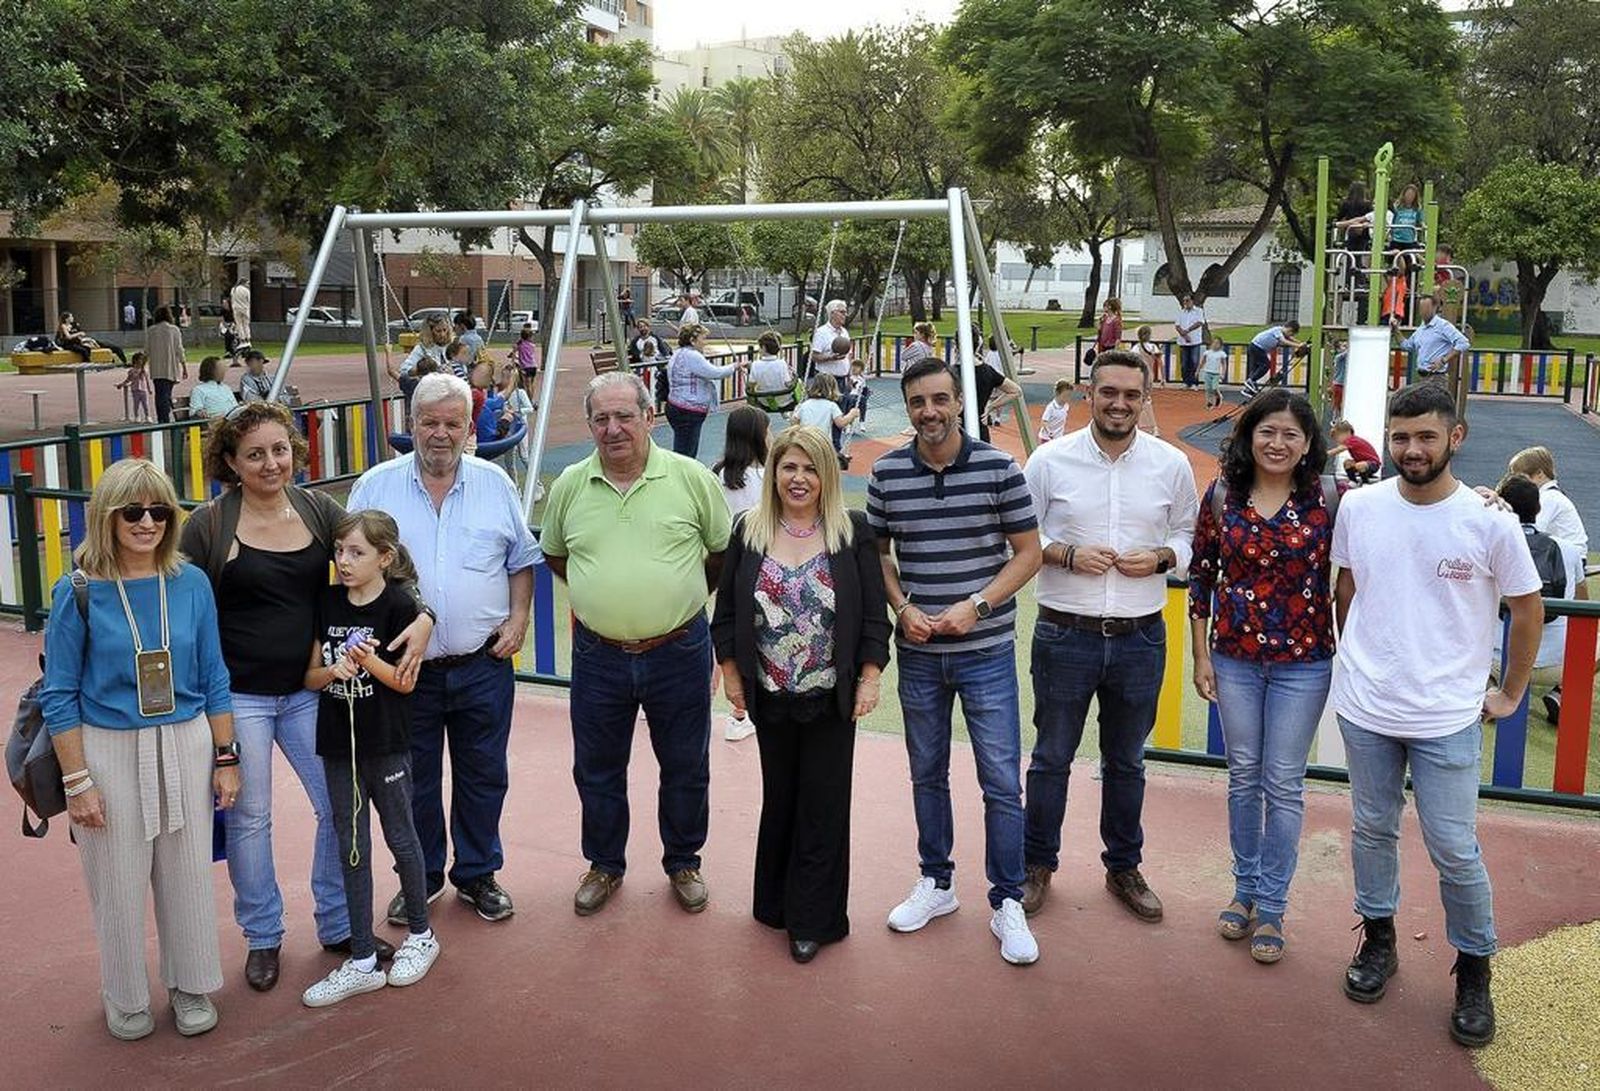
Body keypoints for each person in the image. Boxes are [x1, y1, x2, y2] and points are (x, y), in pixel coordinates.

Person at [180, 402, 436, 991]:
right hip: (240, 695)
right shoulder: (211, 526)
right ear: (230, 462)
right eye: (254, 454)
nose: (271, 463)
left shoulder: (317, 510)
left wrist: (422, 613)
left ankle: (339, 921)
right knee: (251, 817)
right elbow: (187, 604)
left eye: (279, 450)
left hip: (309, 692)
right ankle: (263, 936)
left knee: (336, 808)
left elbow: (383, 554)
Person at [1334, 381, 1544, 1050]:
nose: (1411, 448)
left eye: (1426, 436)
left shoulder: (1489, 520)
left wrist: (1509, 693)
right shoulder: (1360, 507)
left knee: (1454, 846)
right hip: (1368, 706)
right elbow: (1346, 588)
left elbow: (1528, 607)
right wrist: (1355, 657)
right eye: (1400, 436)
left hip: (1448, 713)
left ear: (1456, 437)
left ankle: (1474, 967)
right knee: (1371, 830)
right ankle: (1380, 939)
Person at [41, 458, 237, 1041]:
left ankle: (191, 982)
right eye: (133, 511)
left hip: (186, 738)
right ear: (108, 517)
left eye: (159, 509)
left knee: (187, 875)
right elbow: (59, 696)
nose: (148, 521)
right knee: (117, 879)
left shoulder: (191, 582)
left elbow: (214, 674)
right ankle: (124, 993)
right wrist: (77, 782)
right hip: (108, 746)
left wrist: (227, 756)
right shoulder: (76, 590)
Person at [867, 357, 1043, 966]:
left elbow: (1028, 553)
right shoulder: (887, 473)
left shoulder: (999, 468)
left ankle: (1007, 899)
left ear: (960, 402)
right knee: (926, 773)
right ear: (907, 406)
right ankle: (937, 883)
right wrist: (901, 606)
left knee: (999, 779)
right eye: (918, 402)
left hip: (984, 652)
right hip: (918, 652)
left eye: (940, 400)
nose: (930, 412)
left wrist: (979, 604)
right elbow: (881, 554)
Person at [347, 373, 538, 926]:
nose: (441, 434)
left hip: (483, 664)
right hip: (404, 672)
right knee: (414, 780)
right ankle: (422, 876)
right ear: (412, 426)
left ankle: (478, 873)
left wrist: (519, 618)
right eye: (429, 422)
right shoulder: (375, 488)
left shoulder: (494, 484)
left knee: (484, 773)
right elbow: (348, 565)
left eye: (453, 423)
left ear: (469, 429)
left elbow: (521, 561)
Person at [539, 371, 731, 917]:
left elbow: (719, 554)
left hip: (679, 649)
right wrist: (606, 595)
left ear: (651, 417)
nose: (613, 428)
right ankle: (604, 864)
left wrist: (675, 598)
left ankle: (683, 861)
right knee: (597, 766)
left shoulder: (692, 479)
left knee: (686, 763)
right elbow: (556, 554)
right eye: (601, 418)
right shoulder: (571, 484)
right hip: (598, 655)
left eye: (625, 416)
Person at [1020, 349, 1198, 927]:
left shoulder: (1170, 465)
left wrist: (1166, 556)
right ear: (1089, 394)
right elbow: (1021, 536)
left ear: (1145, 399)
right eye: (1108, 392)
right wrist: (1065, 553)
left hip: (1140, 638)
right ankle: (1036, 864)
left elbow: (1190, 532)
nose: (1119, 403)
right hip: (1063, 633)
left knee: (1126, 761)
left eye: (1131, 394)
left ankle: (1123, 865)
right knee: (1050, 758)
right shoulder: (1049, 462)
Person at [712, 424, 890, 964]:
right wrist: (735, 676)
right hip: (769, 697)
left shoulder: (850, 530)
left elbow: (874, 618)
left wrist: (870, 675)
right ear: (774, 473)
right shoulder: (749, 530)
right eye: (789, 466)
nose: (799, 478)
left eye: (811, 468)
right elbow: (726, 615)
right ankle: (774, 903)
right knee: (781, 798)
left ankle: (813, 919)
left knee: (824, 804)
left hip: (831, 698)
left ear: (827, 476)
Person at [1189, 390, 1334, 964]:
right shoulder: (1224, 495)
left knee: (1284, 782)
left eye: (1291, 435)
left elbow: (1395, 518)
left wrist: (1488, 501)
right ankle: (1244, 890)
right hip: (1235, 657)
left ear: (1306, 445)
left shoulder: (1329, 498)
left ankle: (1272, 906)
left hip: (1304, 662)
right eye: (1267, 431)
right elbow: (1201, 576)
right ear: (1250, 435)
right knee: (1243, 776)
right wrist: (1200, 656)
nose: (1278, 443)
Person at [299, 511, 440, 1008]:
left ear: (385, 557)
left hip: (387, 742)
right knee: (350, 842)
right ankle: (360, 957)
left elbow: (405, 681)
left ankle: (421, 935)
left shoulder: (400, 607)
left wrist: (367, 660)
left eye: (356, 552)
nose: (344, 561)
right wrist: (332, 670)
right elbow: (310, 676)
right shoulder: (328, 601)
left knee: (401, 835)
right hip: (339, 742)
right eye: (340, 551)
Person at [1504, 446, 1590, 722]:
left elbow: (1529, 525)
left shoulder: (1548, 498)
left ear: (1539, 475)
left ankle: (1495, 680)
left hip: (1552, 559)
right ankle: (1563, 689)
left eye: (1520, 476)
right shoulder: (1555, 497)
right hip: (1565, 559)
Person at [665, 323, 747, 459]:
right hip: (688, 409)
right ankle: (683, 475)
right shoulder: (692, 356)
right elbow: (713, 372)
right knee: (686, 452)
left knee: (683, 445)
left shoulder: (678, 353)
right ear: (693, 340)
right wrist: (734, 366)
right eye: (703, 339)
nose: (705, 342)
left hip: (676, 404)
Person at [1394, 293, 1470, 378]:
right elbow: (1407, 346)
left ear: (1435, 308)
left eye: (1427, 308)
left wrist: (1444, 360)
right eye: (1421, 308)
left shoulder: (1443, 326)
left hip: (1436, 377)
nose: (1424, 311)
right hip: (1421, 376)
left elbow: (1463, 343)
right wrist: (1395, 329)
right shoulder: (1421, 329)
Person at [793, 373, 859, 461]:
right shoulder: (831, 406)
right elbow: (841, 423)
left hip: (805, 441)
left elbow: (794, 424)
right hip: (823, 443)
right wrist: (852, 414)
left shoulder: (804, 405)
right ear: (832, 389)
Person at [145, 306, 187, 424]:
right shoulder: (174, 330)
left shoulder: (151, 330)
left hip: (156, 368)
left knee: (160, 393)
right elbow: (179, 349)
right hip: (170, 367)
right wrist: (184, 366)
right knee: (166, 393)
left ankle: (161, 418)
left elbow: (147, 349)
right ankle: (165, 418)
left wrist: (142, 364)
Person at [495, 361, 535, 483]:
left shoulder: (520, 393)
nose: (504, 379)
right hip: (508, 430)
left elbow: (530, 408)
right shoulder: (500, 395)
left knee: (524, 456)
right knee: (509, 461)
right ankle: (515, 487)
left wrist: (518, 411)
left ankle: (536, 484)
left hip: (521, 427)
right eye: (503, 377)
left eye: (508, 377)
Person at [1243, 321, 1304, 398]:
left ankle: (1249, 389)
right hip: (1257, 347)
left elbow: (1289, 338)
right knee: (1265, 365)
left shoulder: (1283, 333)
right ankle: (1251, 381)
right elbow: (1284, 341)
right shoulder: (1277, 330)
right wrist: (1298, 345)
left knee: (1256, 368)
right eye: (1291, 333)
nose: (1290, 336)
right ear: (1289, 329)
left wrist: (1301, 343)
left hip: (1257, 348)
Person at [747, 330, 797, 414]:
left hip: (764, 402)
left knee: (751, 394)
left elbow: (751, 386)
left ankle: (754, 413)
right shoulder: (782, 363)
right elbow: (788, 384)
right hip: (784, 401)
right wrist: (794, 377)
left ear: (763, 347)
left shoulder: (755, 365)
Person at [56, 310, 127, 363]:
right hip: (70, 344)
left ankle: (124, 362)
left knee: (89, 348)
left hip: (81, 341)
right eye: (71, 316)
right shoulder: (63, 326)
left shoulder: (74, 325)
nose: (72, 317)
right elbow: (68, 337)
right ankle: (87, 364)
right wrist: (79, 334)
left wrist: (86, 339)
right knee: (84, 350)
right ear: (66, 318)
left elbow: (81, 336)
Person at [810, 300, 853, 386]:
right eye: (842, 312)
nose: (845, 315)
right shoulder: (821, 332)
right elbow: (814, 356)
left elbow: (849, 356)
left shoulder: (844, 332)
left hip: (843, 379)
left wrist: (849, 376)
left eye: (845, 312)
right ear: (832, 314)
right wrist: (831, 357)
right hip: (826, 381)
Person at [1134, 325, 1164, 436]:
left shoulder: (1136, 348)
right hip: (1149, 376)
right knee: (1145, 400)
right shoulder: (1153, 347)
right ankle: (1150, 426)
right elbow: (1160, 363)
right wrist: (1163, 378)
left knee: (1144, 400)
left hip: (1139, 376)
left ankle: (1151, 426)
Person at [1330, 419, 1382, 485]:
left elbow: (1340, 449)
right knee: (1347, 463)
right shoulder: (1350, 441)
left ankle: (1365, 482)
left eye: (1338, 437)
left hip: (1373, 464)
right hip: (1361, 463)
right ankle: (1353, 481)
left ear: (1347, 432)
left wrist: (1326, 453)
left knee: (1360, 465)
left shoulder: (1352, 440)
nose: (1337, 440)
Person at [1175, 293, 1208, 388]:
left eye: (1187, 300)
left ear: (1192, 301)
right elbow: (1177, 325)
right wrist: (1184, 335)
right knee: (1184, 363)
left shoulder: (1198, 311)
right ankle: (1186, 382)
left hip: (1195, 341)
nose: (1185, 303)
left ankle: (1194, 382)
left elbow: (1199, 322)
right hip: (1183, 341)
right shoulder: (1181, 312)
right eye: (1184, 301)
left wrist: (1188, 330)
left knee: (1194, 362)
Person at [1085, 297, 1122, 367]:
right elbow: (1099, 329)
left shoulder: (1116, 321)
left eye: (1105, 306)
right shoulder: (1105, 318)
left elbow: (1118, 336)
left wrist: (1116, 349)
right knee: (1102, 364)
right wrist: (1100, 321)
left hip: (1111, 346)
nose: (1104, 308)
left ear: (1110, 307)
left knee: (1109, 364)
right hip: (1102, 345)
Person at [117, 351, 153, 422]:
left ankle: (147, 416)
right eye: (139, 359)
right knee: (136, 404)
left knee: (145, 404)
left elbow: (147, 380)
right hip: (135, 390)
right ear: (135, 361)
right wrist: (122, 384)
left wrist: (149, 389)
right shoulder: (132, 371)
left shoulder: (144, 371)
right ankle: (137, 416)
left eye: (142, 360)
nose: (141, 361)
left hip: (143, 390)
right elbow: (128, 379)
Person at [510, 322, 540, 400]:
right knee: (531, 384)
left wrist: (513, 361)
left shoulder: (520, 345)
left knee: (526, 385)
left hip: (525, 367)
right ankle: (531, 399)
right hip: (533, 366)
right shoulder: (532, 345)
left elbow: (514, 352)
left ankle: (528, 400)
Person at [1390, 183, 1424, 253]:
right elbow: (1392, 220)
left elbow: (1420, 221)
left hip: (1409, 239)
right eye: (1408, 194)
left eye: (1412, 195)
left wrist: (1423, 225)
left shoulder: (1417, 209)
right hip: (1397, 238)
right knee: (1397, 254)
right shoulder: (1397, 207)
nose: (1409, 197)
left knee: (1412, 254)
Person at [1037, 378, 1073, 443]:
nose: (1067, 398)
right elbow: (1044, 421)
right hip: (1047, 438)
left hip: (1058, 437)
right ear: (1057, 393)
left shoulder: (1066, 406)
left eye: (1069, 396)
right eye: (1065, 396)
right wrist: (1049, 432)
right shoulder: (1051, 407)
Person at [1200, 335, 1228, 410]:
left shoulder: (1221, 354)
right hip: (1207, 372)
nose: (1215, 345)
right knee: (1208, 389)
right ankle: (1210, 402)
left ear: (1220, 345)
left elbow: (1224, 364)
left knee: (1214, 387)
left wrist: (1223, 373)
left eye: (1217, 343)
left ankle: (1219, 396)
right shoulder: (1207, 353)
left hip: (1216, 373)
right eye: (1214, 343)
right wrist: (1198, 370)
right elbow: (1202, 362)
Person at [231, 278, 253, 352]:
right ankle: (248, 339)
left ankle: (242, 340)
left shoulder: (234, 289)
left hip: (236, 308)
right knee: (246, 324)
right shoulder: (246, 290)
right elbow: (248, 300)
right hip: (245, 308)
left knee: (239, 325)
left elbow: (232, 299)